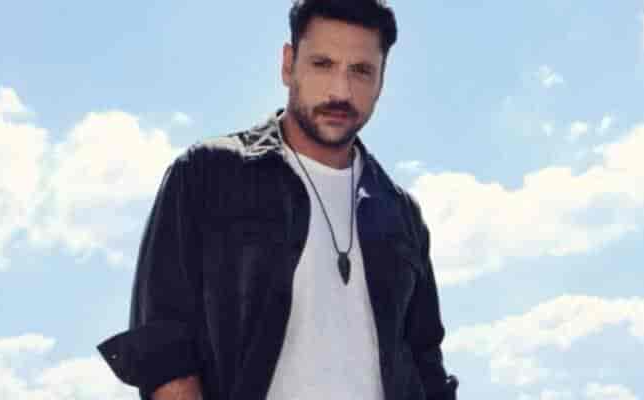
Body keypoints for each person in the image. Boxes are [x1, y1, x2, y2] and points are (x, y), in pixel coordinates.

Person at [96, 1, 459, 399]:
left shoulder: (400, 214)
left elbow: (427, 363)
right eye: (322, 64)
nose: (340, 91)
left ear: (381, 81)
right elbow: (164, 346)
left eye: (360, 71)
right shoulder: (209, 174)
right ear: (288, 65)